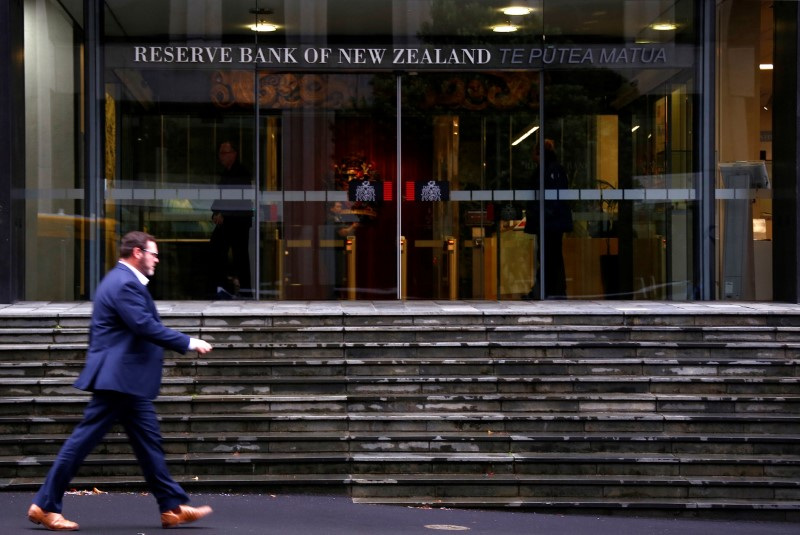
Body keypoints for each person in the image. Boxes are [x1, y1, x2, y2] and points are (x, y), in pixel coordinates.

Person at [27, 231, 214, 531]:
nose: (157, 259)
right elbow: (143, 325)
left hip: (125, 381)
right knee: (81, 443)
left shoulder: (120, 280)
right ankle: (45, 506)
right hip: (117, 381)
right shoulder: (124, 283)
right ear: (137, 252)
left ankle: (171, 507)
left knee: (149, 444)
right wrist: (189, 342)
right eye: (153, 253)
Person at [523, 139, 573, 299]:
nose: (532, 156)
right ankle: (552, 290)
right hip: (551, 222)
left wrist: (540, 215)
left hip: (548, 223)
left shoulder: (547, 171)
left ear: (539, 153)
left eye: (534, 152)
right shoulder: (554, 169)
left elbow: (549, 198)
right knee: (552, 255)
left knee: (548, 256)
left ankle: (547, 290)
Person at [209, 140, 253, 299]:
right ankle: (223, 287)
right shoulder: (226, 173)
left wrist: (223, 214)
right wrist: (215, 213)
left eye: (224, 153)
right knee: (217, 251)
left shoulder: (241, 173)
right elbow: (221, 198)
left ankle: (243, 290)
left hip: (238, 221)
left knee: (239, 256)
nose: (221, 156)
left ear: (233, 154)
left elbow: (239, 199)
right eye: (220, 153)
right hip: (227, 221)